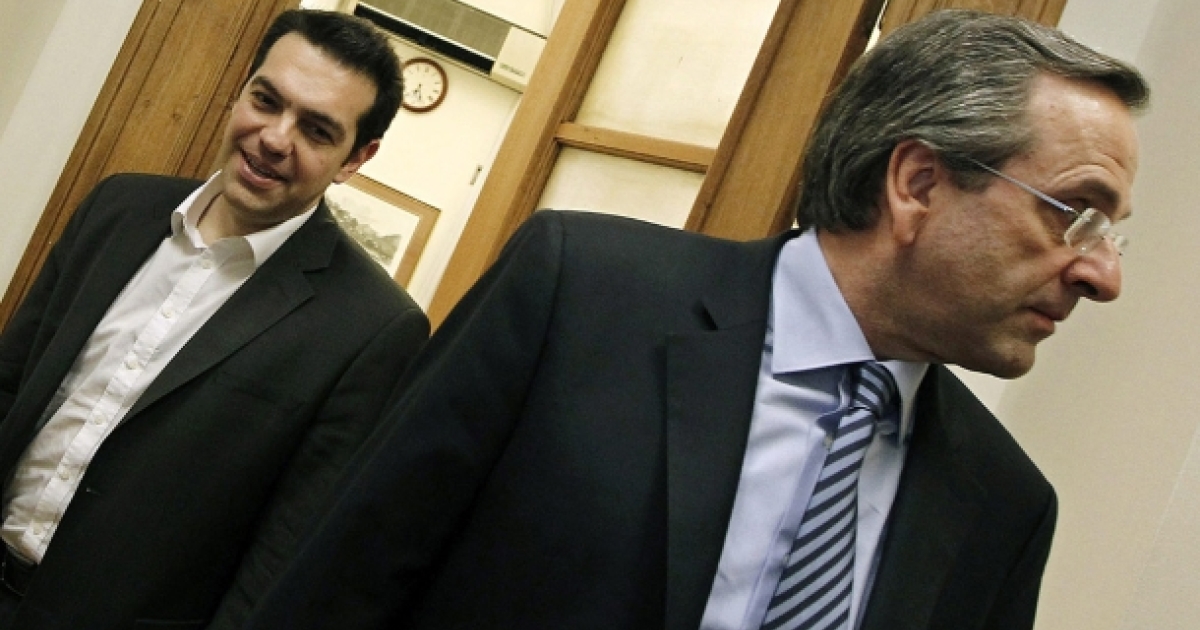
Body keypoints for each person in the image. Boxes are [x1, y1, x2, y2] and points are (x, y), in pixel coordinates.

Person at [242, 9, 1148, 630]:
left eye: (1111, 236)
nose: (1102, 275)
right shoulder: (577, 297)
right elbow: (341, 586)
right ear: (917, 184)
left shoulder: (1005, 508)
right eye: (1076, 214)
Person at [0, 9, 428, 630]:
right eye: (266, 100)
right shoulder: (118, 207)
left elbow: (282, 554)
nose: (275, 138)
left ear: (356, 157)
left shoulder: (371, 329)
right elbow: (11, 380)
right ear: (241, 90)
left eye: (316, 130)